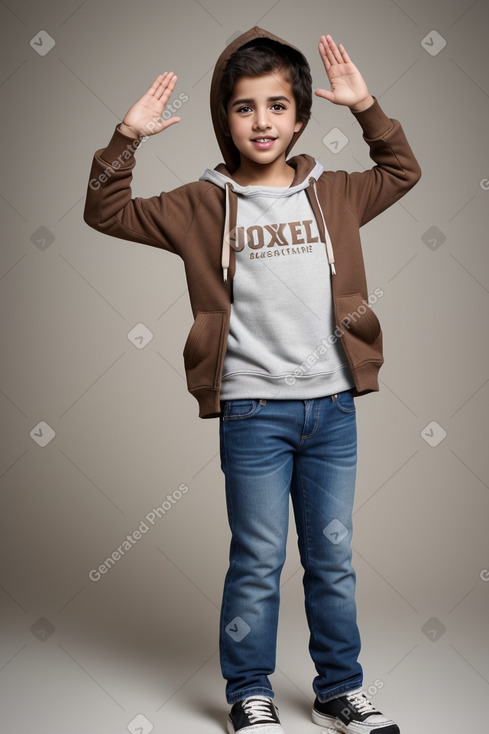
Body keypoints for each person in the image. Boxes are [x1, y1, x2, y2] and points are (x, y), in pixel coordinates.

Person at [84, 27, 420, 734]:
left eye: (275, 106)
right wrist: (126, 137)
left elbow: (401, 171)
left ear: (299, 117)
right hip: (253, 412)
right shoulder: (198, 205)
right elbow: (104, 209)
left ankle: (340, 689)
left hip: (330, 409)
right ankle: (248, 693)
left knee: (331, 559)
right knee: (258, 560)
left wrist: (366, 109)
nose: (261, 121)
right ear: (224, 118)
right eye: (243, 107)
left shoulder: (337, 193)